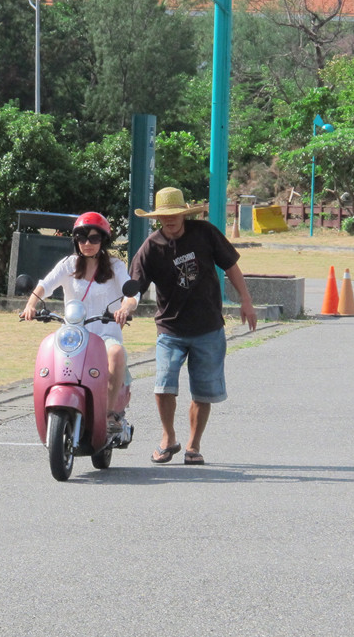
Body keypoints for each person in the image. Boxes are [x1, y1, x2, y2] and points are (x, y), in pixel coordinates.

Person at [129, 187, 257, 465]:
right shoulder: (151, 247)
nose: (171, 219)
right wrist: (128, 304)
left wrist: (246, 300)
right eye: (165, 216)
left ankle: (193, 445)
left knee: (203, 391)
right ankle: (168, 438)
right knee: (163, 385)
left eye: (176, 214)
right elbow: (135, 287)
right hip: (170, 329)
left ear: (184, 214)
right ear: (157, 218)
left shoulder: (205, 233)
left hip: (208, 326)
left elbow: (231, 266)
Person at [20, 212, 138, 433]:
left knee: (116, 353)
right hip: (74, 334)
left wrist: (125, 308)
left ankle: (109, 413)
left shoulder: (115, 266)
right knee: (49, 355)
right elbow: (45, 285)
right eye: (82, 238)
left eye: (94, 238)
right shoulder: (69, 264)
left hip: (104, 335)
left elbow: (132, 294)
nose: (87, 244)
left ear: (103, 240)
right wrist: (31, 305)